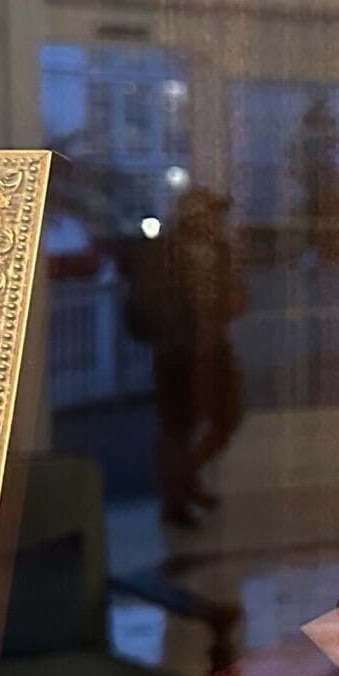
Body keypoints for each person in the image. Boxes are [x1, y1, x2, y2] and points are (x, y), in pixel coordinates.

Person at [125, 188, 248, 526]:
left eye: (217, 214)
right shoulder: (164, 252)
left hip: (213, 347)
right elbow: (148, 301)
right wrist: (181, 322)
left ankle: (183, 480)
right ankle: (175, 499)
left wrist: (223, 302)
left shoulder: (220, 251)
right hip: (176, 351)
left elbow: (238, 298)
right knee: (177, 427)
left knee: (227, 418)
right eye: (209, 213)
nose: (216, 220)